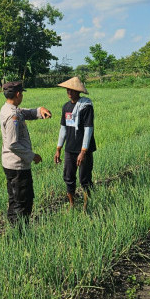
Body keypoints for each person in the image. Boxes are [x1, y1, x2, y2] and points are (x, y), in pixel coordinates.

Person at [0, 80, 52, 225]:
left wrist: (39, 111)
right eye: (21, 93)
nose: (22, 95)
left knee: (15, 199)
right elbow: (12, 143)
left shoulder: (9, 109)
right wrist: (32, 156)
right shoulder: (12, 116)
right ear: (17, 94)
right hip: (17, 166)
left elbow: (24, 112)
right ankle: (20, 233)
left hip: (11, 164)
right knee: (22, 201)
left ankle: (17, 229)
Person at [53, 77, 96, 211]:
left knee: (85, 179)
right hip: (70, 149)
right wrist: (58, 148)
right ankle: (72, 204)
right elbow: (63, 128)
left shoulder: (86, 107)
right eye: (68, 90)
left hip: (84, 150)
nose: (69, 92)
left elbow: (89, 128)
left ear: (78, 91)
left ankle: (86, 206)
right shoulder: (66, 107)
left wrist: (83, 151)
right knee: (68, 177)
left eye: (72, 90)